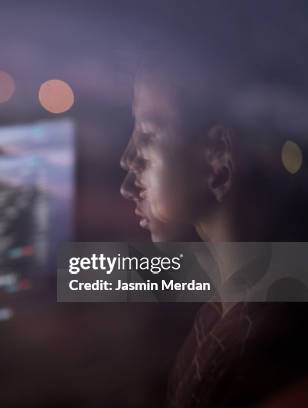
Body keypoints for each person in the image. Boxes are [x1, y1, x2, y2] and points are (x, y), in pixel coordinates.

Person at [120, 46, 308, 407]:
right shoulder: (225, 315)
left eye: (148, 133)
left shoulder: (265, 355)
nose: (128, 165)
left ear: (218, 159)